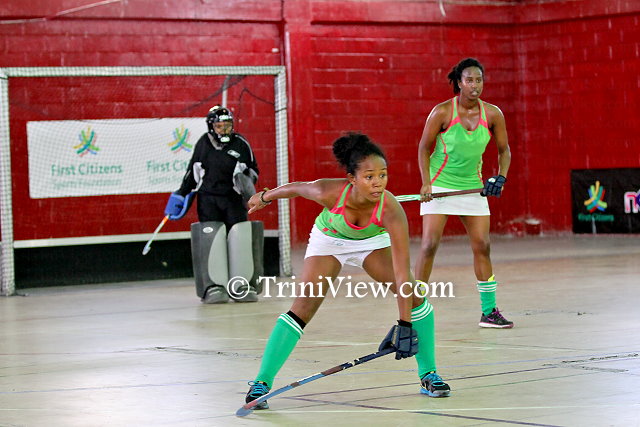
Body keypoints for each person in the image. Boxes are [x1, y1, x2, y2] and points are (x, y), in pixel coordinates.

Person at [244, 132, 450, 410]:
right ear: (352, 178)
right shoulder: (328, 191)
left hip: (371, 242)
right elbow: (297, 188)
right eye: (369, 176)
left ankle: (429, 375)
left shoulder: (391, 210)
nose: (378, 182)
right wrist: (264, 196)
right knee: (303, 306)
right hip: (330, 239)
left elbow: (403, 274)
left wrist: (404, 325)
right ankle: (261, 383)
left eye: (383, 175)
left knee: (414, 296)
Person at [415, 57, 514, 329]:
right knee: (429, 245)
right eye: (469, 80)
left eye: (479, 80)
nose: (475, 85)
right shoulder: (442, 112)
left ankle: (489, 312)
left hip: (472, 186)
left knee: (483, 246)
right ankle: (414, 307)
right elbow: (424, 148)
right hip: (440, 185)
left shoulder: (493, 114)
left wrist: (501, 177)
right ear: (459, 83)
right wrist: (426, 183)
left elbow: (504, 150)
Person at [164, 106, 261, 304]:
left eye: (227, 125)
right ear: (211, 127)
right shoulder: (203, 144)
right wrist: (181, 194)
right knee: (212, 239)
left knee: (239, 237)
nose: (224, 130)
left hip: (233, 200)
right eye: (219, 126)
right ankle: (214, 287)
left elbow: (253, 170)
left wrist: (247, 182)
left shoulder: (241, 143)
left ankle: (242, 285)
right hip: (208, 200)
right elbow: (192, 173)